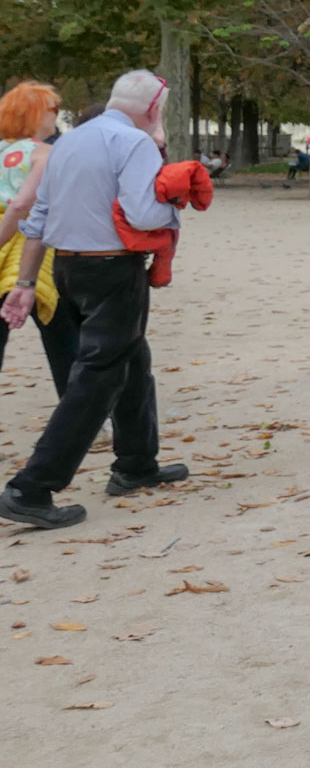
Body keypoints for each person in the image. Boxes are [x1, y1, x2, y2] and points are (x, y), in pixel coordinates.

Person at [0, 69, 188, 529]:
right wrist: (177, 202)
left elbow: (38, 217)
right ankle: (31, 487)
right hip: (113, 267)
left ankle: (136, 464)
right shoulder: (134, 143)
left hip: (67, 266)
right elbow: (143, 214)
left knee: (132, 359)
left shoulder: (69, 142)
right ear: (154, 109)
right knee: (98, 374)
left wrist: (26, 282)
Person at [0, 81, 77, 395]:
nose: (56, 115)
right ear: (34, 114)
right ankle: (78, 411)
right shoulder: (44, 153)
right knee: (61, 332)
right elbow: (22, 204)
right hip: (29, 246)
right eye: (52, 109)